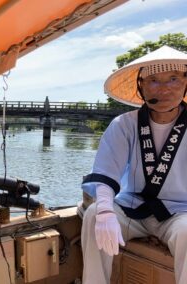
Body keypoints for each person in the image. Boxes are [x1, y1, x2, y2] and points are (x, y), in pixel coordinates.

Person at [81, 45, 187, 284]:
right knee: (94, 214)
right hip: (132, 208)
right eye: (154, 80)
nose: (165, 88)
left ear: (185, 83)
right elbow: (106, 173)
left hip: (180, 212)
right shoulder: (124, 124)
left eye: (173, 79)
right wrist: (106, 211)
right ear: (141, 86)